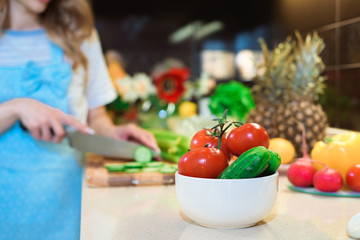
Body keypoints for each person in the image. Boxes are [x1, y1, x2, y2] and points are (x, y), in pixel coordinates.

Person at [0, 0, 160, 239]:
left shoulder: (79, 33)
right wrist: (15, 108)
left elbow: (96, 117)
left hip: (68, 206)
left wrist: (112, 133)